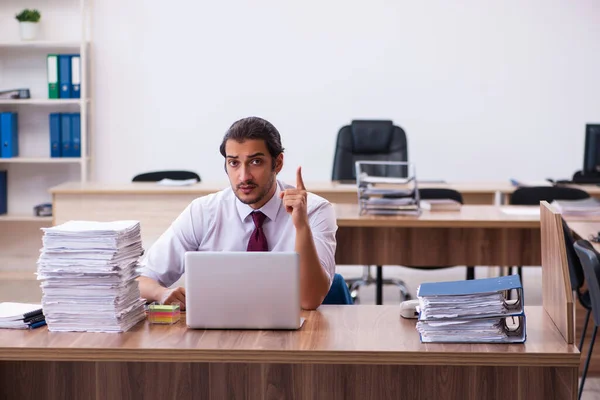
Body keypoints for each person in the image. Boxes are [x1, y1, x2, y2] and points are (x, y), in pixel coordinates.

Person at [137, 116, 338, 310]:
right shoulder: (203, 211)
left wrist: (301, 226)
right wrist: (160, 293)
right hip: (216, 333)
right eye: (234, 163)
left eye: (256, 162)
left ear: (277, 163)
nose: (243, 176)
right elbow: (140, 279)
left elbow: (310, 300)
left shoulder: (315, 210)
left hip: (295, 335)